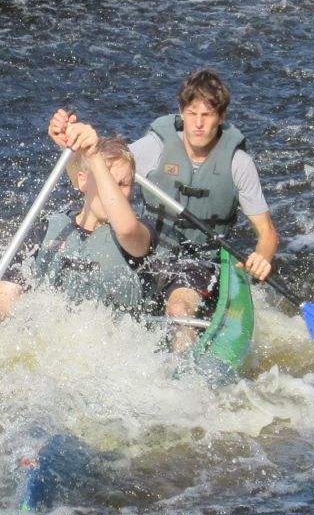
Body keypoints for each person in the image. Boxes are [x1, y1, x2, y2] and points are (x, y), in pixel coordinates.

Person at [49, 70, 278, 340]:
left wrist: (262, 257)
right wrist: (70, 143)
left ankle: (182, 362)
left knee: (178, 309)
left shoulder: (238, 164)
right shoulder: (155, 147)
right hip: (146, 250)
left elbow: (267, 233)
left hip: (196, 261)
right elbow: (103, 167)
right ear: (181, 112)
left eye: (207, 115)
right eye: (192, 113)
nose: (198, 124)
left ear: (222, 116)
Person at [0, 121, 151, 334]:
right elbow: (4, 298)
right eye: (107, 182)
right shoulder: (45, 231)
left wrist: (94, 155)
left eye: (123, 184)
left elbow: (126, 230)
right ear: (83, 181)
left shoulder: (141, 234)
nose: (113, 192)